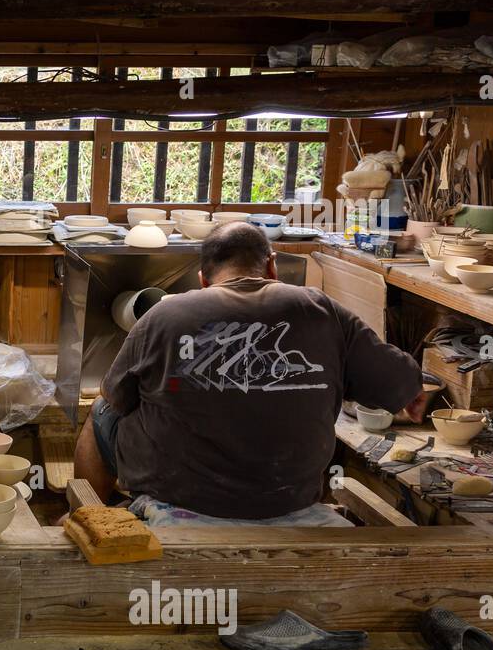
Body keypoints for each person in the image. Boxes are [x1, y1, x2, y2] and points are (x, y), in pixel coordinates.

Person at [73, 222, 427, 526]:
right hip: (288, 498)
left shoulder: (164, 316)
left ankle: (91, 518)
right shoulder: (321, 308)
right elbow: (401, 386)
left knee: (101, 412)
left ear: (202, 279)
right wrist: (409, 392)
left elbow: (114, 395)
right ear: (271, 267)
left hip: (185, 498)